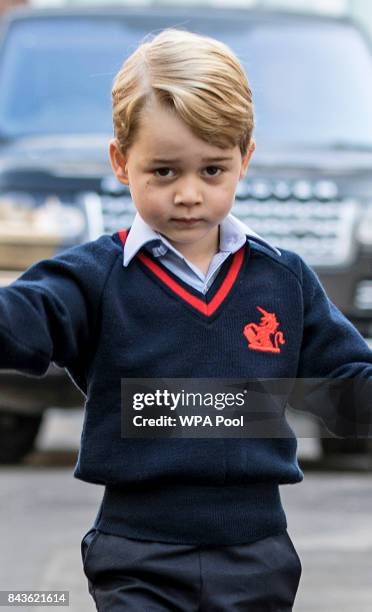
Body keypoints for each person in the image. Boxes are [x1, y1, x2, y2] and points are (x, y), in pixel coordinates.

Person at [1, 28, 371, 611]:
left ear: (245, 159)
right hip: (136, 555)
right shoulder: (96, 278)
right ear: (122, 162)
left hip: (257, 557)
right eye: (165, 172)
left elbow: (347, 388)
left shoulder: (284, 280)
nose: (189, 194)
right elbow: (22, 318)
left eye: (213, 171)